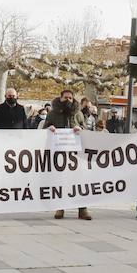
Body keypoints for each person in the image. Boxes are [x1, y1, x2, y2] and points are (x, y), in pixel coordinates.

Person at [45, 89, 88, 220]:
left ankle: (82, 209)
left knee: (79, 181)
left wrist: (81, 129)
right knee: (60, 180)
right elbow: (44, 128)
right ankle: (60, 208)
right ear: (60, 98)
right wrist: (49, 128)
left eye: (70, 98)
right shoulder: (52, 114)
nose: (68, 100)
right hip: (60, 154)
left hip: (76, 154)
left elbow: (85, 129)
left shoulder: (78, 113)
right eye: (65, 98)